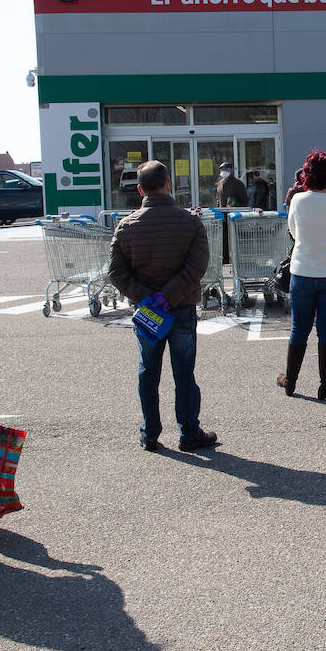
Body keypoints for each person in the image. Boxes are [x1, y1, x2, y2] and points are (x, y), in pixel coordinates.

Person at [108, 161, 217, 453]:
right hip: (181, 308)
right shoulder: (190, 222)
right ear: (169, 184)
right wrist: (168, 297)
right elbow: (197, 267)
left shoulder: (127, 225)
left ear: (140, 189)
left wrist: (150, 299)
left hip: (147, 312)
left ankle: (150, 433)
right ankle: (189, 432)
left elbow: (116, 272)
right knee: (184, 373)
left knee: (148, 371)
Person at [279, 151, 326, 400]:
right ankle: (325, 385)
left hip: (303, 270)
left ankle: (291, 381)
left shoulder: (298, 200)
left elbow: (294, 232)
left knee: (299, 329)